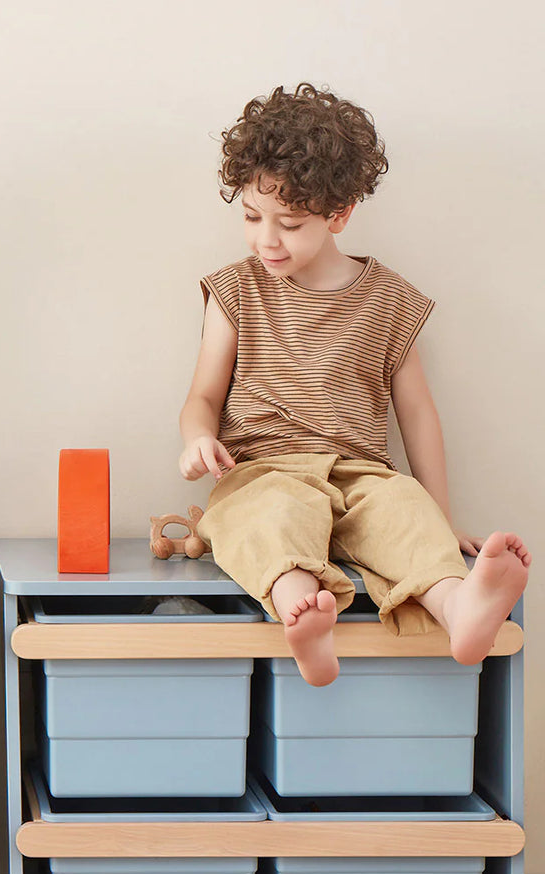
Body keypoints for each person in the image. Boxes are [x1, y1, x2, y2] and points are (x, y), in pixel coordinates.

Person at [178, 83, 530, 687]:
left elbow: (418, 414)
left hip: (363, 471)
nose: (266, 239)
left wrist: (442, 518)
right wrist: (196, 439)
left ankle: (459, 607)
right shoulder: (236, 290)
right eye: (251, 216)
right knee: (266, 517)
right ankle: (301, 610)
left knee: (405, 514)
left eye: (289, 223)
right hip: (264, 468)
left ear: (339, 214)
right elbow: (203, 396)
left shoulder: (390, 299)